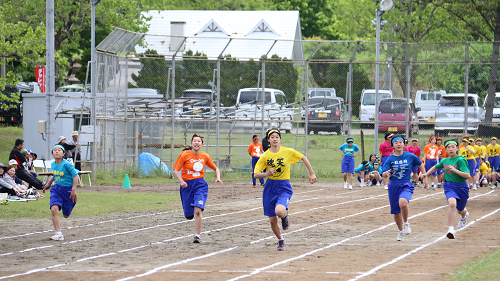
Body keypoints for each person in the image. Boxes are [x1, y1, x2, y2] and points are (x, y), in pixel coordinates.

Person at [254, 128, 316, 251]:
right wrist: (267, 174)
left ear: (280, 139)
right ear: (268, 140)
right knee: (272, 221)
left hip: (283, 186)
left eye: (277, 137)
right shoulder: (265, 156)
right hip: (270, 187)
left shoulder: (287, 152)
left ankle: (284, 216)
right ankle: (281, 240)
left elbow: (303, 157)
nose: (275, 139)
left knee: (279, 211)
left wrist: (312, 173)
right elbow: (256, 174)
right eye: (272, 137)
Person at [173, 134, 223, 243]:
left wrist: (218, 178)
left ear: (202, 144)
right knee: (189, 215)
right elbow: (176, 170)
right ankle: (189, 214)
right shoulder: (184, 155)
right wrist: (181, 181)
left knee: (198, 210)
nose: (196, 143)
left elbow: (216, 168)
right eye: (194, 141)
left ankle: (197, 236)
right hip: (186, 185)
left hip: (200, 185)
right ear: (191, 143)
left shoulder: (205, 156)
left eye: (199, 141)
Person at [421, 139, 470, 239]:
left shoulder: (461, 160)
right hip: (449, 186)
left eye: (453, 146)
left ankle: (464, 215)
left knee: (461, 210)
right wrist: (426, 174)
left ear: (457, 148)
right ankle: (451, 229)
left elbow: (467, 175)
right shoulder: (444, 160)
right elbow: (435, 167)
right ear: (445, 149)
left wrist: (455, 170)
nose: (451, 149)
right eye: (448, 147)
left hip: (461, 187)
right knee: (452, 204)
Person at [382, 135, 427, 241]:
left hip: (406, 184)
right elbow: (383, 174)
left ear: (403, 144)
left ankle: (406, 223)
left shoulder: (410, 156)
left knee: (402, 203)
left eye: (400, 142)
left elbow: (420, 163)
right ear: (392, 145)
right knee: (396, 211)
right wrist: (386, 173)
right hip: (393, 185)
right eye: (396, 142)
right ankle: (401, 231)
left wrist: (424, 176)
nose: (398, 144)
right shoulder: (390, 159)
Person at [42, 145, 80, 241]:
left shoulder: (67, 164)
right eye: (55, 150)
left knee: (66, 215)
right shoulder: (53, 164)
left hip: (68, 190)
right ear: (52, 153)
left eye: (59, 150)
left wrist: (73, 190)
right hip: (57, 189)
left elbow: (76, 176)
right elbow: (55, 174)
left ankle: (68, 205)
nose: (57, 151)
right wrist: (48, 184)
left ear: (63, 154)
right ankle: (59, 234)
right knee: (54, 209)